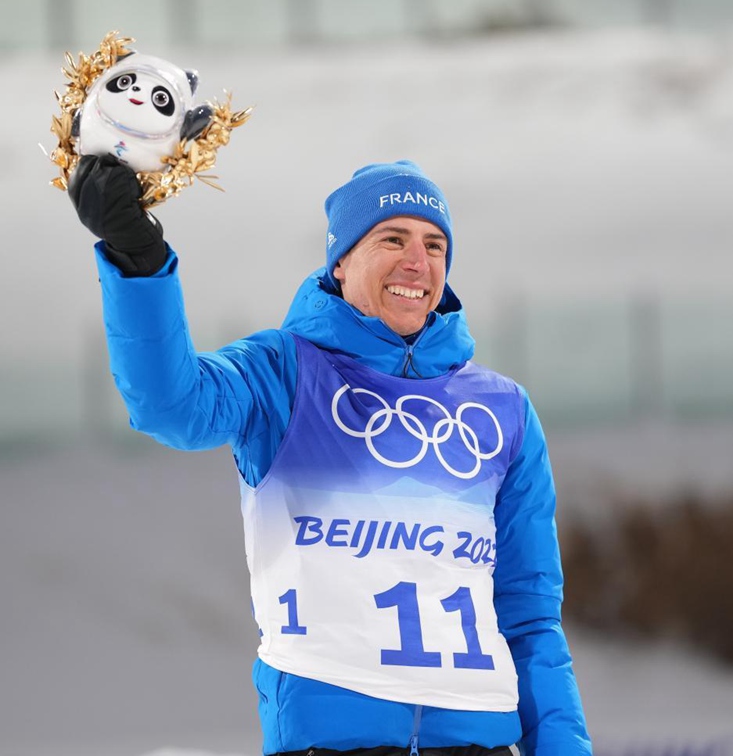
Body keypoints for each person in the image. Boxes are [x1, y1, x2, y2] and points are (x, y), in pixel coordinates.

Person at [68, 155, 593, 756]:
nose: (417, 262)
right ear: (340, 261)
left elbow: (529, 620)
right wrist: (139, 261)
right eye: (391, 238)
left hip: (481, 738)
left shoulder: (505, 411)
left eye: (435, 245)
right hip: (331, 741)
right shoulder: (283, 372)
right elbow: (171, 405)